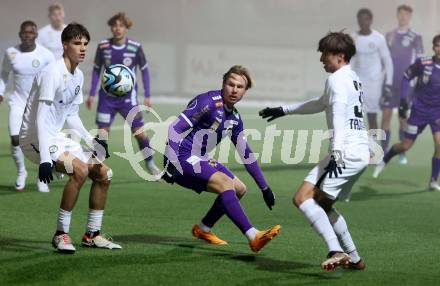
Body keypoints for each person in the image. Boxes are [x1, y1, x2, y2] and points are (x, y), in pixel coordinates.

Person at [259, 32, 368, 271]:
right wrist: (283, 110)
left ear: (339, 56)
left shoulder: (337, 80)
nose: (321, 59)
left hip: (345, 151)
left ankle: (336, 251)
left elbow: (337, 112)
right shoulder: (351, 78)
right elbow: (321, 104)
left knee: (302, 198)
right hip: (358, 151)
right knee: (322, 204)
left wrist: (337, 151)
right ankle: (355, 258)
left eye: (325, 54)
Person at [19, 23, 121, 253]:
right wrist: (45, 159)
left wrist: (90, 139)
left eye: (85, 43)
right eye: (77, 43)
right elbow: (41, 119)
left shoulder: (78, 76)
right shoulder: (52, 73)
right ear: (65, 45)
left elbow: (71, 114)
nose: (83, 48)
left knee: (104, 174)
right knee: (80, 170)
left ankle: (92, 235)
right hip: (35, 137)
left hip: (56, 136)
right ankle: (60, 234)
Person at [162, 65, 280, 252]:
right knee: (225, 183)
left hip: (200, 157)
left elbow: (245, 153)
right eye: (230, 84)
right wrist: (171, 163)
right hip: (182, 157)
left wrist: (264, 187)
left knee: (239, 189)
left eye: (239, 87)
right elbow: (175, 128)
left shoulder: (235, 117)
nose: (234, 90)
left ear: (245, 91)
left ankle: (203, 228)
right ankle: (253, 236)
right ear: (223, 84)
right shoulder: (207, 102)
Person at [86, 12, 159, 175]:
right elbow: (97, 70)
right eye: (114, 25)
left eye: (121, 26)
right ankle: (97, 167)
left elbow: (145, 70)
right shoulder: (103, 46)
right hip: (107, 99)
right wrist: (91, 93)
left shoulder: (135, 47)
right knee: (103, 134)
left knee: (140, 133)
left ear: (126, 28)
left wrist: (147, 95)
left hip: (128, 99)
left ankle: (150, 163)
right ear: (111, 27)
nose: (117, 29)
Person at [373, 35, 440, 192]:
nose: (439, 49)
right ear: (433, 47)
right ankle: (385, 159)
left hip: (437, 113)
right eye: (437, 45)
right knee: (405, 146)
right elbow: (406, 77)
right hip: (419, 112)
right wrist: (403, 101)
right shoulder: (423, 63)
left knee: (439, 144)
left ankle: (433, 180)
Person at [0, 21, 55, 192]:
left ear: (36, 35)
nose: (28, 35)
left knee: (40, 140)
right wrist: (0, 91)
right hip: (17, 102)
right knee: (15, 139)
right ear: (20, 34)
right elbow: (4, 74)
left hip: (39, 103)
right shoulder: (11, 53)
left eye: (31, 32)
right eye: (25, 32)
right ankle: (21, 172)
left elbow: (54, 76)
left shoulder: (46, 55)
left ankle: (42, 177)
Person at [383, 4, 424, 164]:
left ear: (410, 17)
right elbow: (384, 58)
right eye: (401, 14)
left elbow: (420, 58)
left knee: (402, 118)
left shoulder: (415, 36)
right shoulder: (389, 35)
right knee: (385, 116)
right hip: (389, 82)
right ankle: (383, 150)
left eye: (406, 15)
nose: (403, 17)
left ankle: (401, 153)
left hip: (406, 83)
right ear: (397, 15)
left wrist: (418, 79)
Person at [350, 8, 393, 131]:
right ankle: (357, 148)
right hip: (357, 83)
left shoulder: (379, 38)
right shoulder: (353, 38)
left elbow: (388, 61)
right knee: (354, 117)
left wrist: (388, 83)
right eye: (360, 19)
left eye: (366, 19)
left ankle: (373, 149)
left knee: (372, 118)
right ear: (357, 21)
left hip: (374, 84)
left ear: (370, 20)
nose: (363, 22)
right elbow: (350, 61)